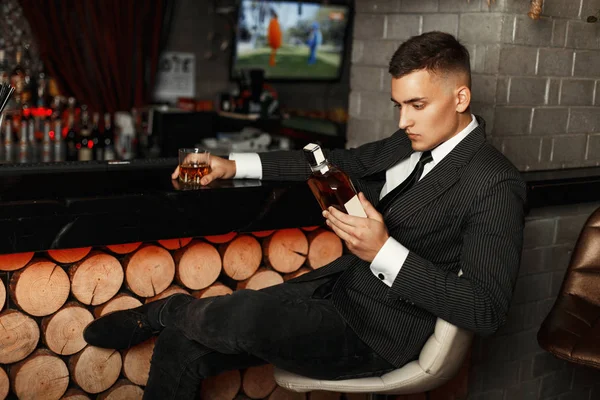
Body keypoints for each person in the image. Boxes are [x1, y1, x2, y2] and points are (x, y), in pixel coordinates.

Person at [84, 31, 526, 399]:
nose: (404, 120)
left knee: (240, 317)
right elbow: (330, 161)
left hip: (379, 334)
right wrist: (234, 164)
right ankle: (172, 320)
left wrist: (383, 251)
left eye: (417, 105)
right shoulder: (411, 140)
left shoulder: (494, 182)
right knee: (185, 341)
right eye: (399, 105)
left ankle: (164, 310)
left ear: (461, 96)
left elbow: (485, 309)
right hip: (335, 294)